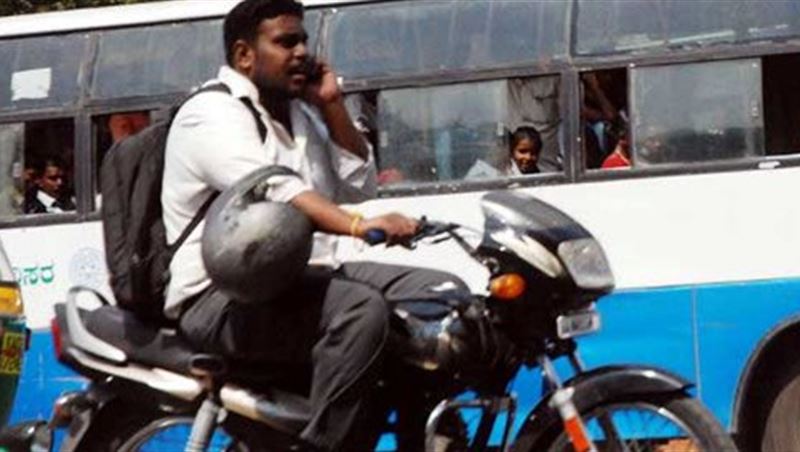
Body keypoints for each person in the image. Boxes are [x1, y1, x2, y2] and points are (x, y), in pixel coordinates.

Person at [161, 1, 468, 450]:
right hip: (221, 295)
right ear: (245, 55)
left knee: (441, 297)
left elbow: (359, 184)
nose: (302, 51)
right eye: (286, 42)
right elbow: (275, 189)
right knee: (359, 311)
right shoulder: (211, 114)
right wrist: (360, 227)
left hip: (298, 280)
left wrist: (331, 104)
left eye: (304, 40)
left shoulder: (302, 114)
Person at [465, 126, 543, 179]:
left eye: (534, 153)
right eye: (522, 151)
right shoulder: (480, 174)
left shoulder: (532, 172)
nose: (528, 157)